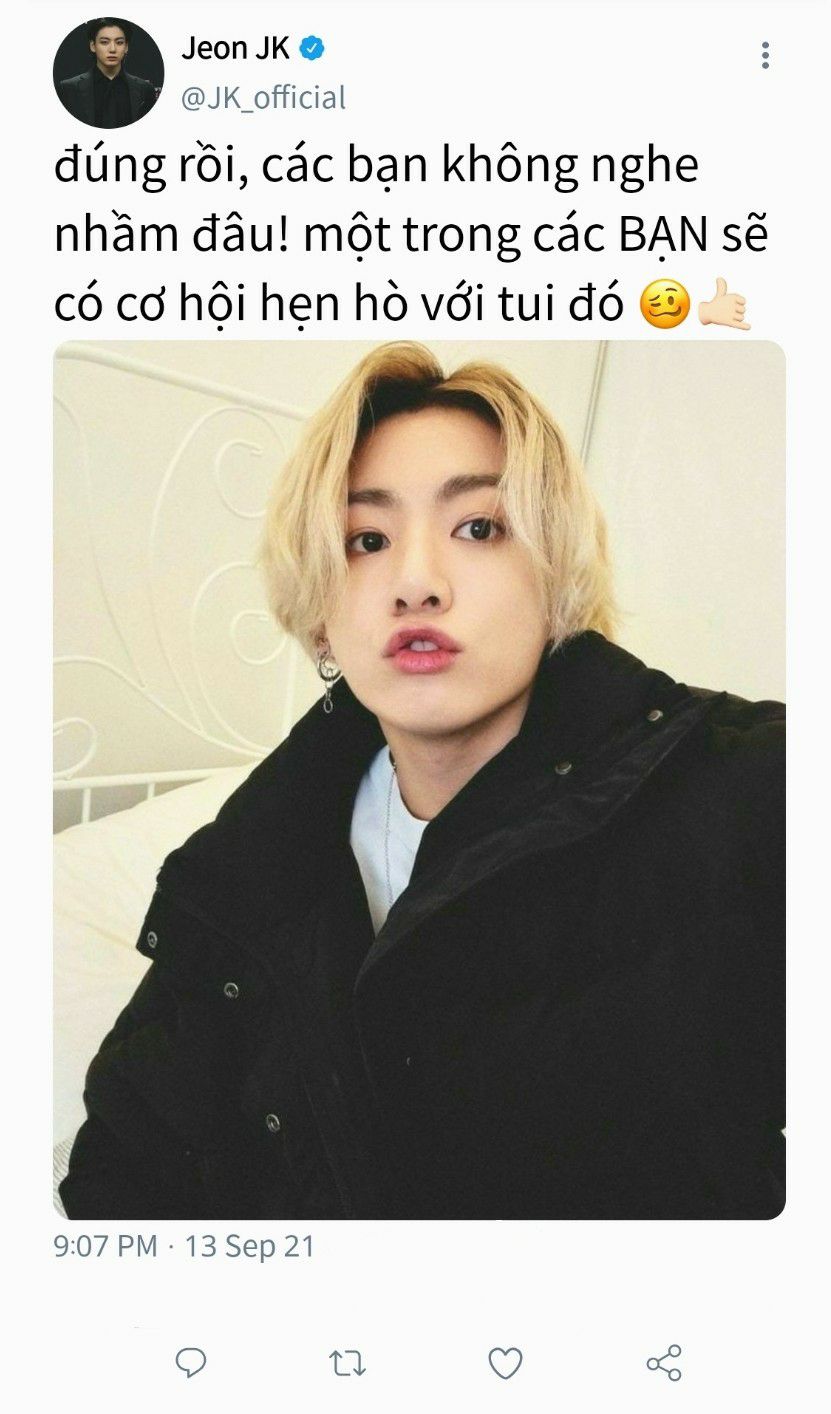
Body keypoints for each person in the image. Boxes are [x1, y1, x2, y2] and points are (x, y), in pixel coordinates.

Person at [59, 343, 784, 1220]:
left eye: (477, 528)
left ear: (555, 573)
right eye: (365, 540)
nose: (414, 583)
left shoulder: (751, 788)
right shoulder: (248, 856)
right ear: (320, 609)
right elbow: (128, 1159)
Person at [56, 18, 157, 128]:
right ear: (93, 46)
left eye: (119, 42)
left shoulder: (144, 89)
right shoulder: (68, 89)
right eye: (104, 42)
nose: (112, 49)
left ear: (126, 47)